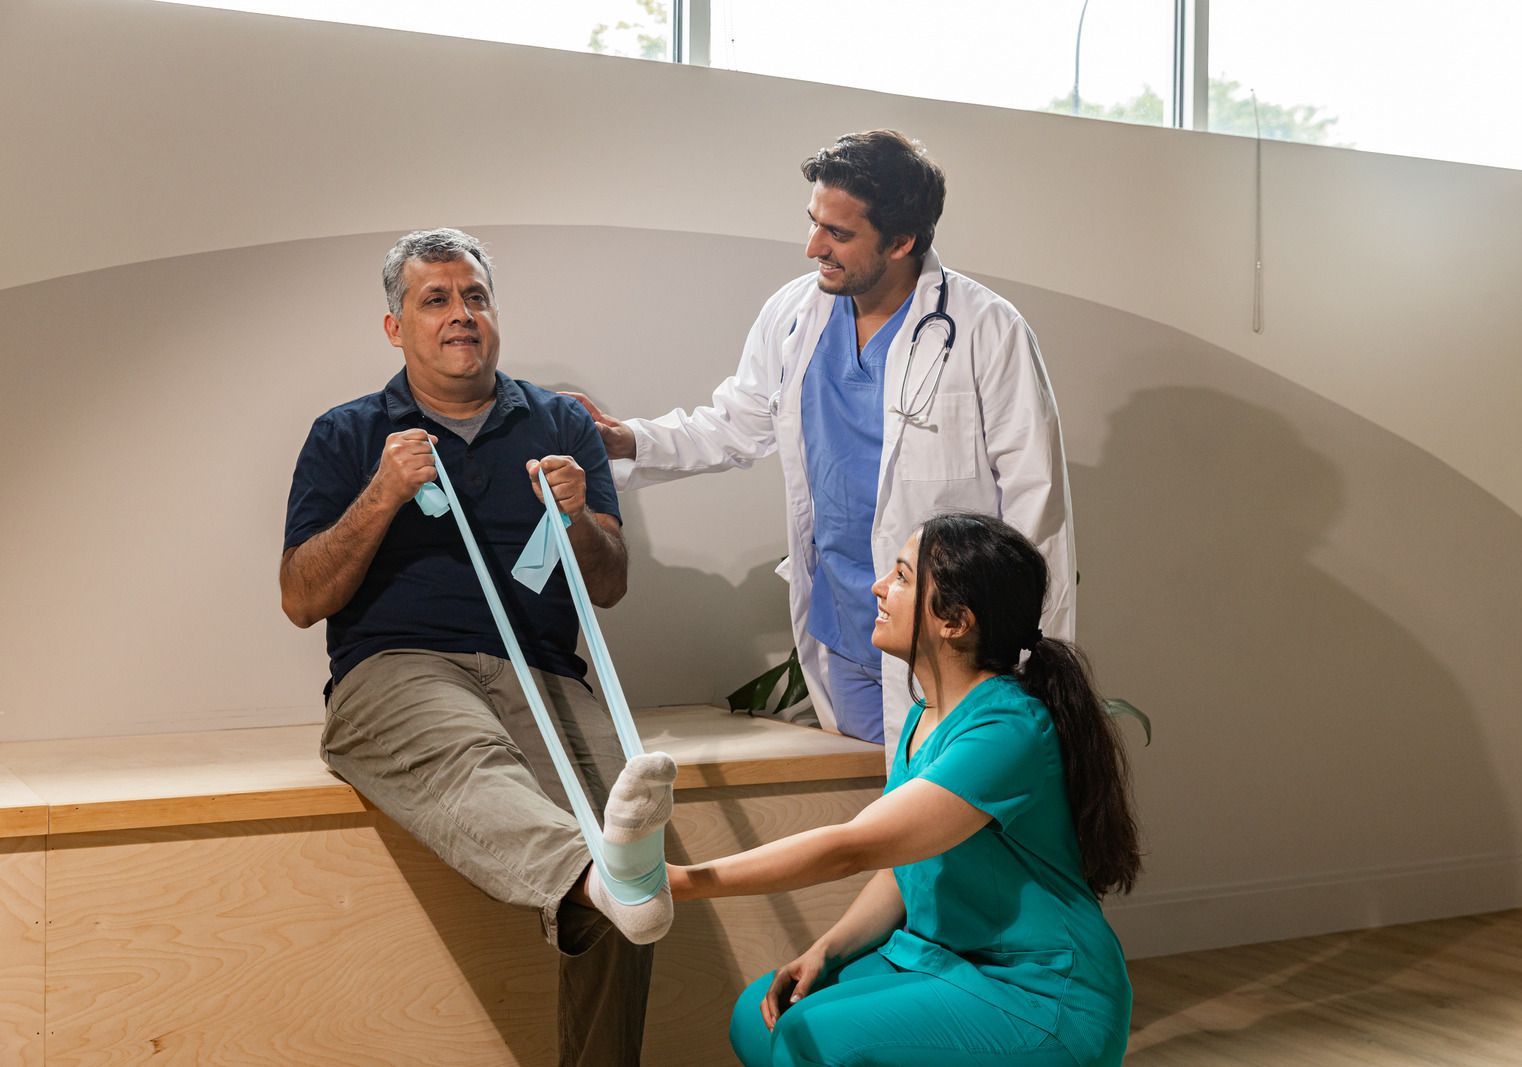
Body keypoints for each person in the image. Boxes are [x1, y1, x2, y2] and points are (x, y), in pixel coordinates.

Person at [279, 228, 675, 1066]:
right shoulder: (347, 434)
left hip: (541, 670)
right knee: (493, 775)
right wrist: (383, 492)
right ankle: (592, 875)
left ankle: (604, 878)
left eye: (476, 297)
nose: (462, 315)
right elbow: (300, 596)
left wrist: (578, 518)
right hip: (399, 670)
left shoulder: (560, 421)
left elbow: (607, 583)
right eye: (436, 299)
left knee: (629, 833)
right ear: (396, 328)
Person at [570, 130, 1074, 750]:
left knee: (946, 825)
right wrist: (626, 441)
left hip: (951, 645)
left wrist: (1037, 663)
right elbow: (738, 420)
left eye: (838, 234)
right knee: (871, 815)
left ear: (901, 241)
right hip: (844, 633)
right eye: (814, 224)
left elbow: (1036, 505)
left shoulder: (987, 329)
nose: (813, 247)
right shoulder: (793, 314)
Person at [666, 512, 1140, 1066]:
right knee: (758, 1016)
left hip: (1039, 994)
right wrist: (829, 948)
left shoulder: (1007, 731)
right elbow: (903, 866)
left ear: (955, 621)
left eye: (901, 577)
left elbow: (854, 847)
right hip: (939, 959)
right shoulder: (926, 716)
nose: (878, 588)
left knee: (810, 1039)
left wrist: (683, 882)